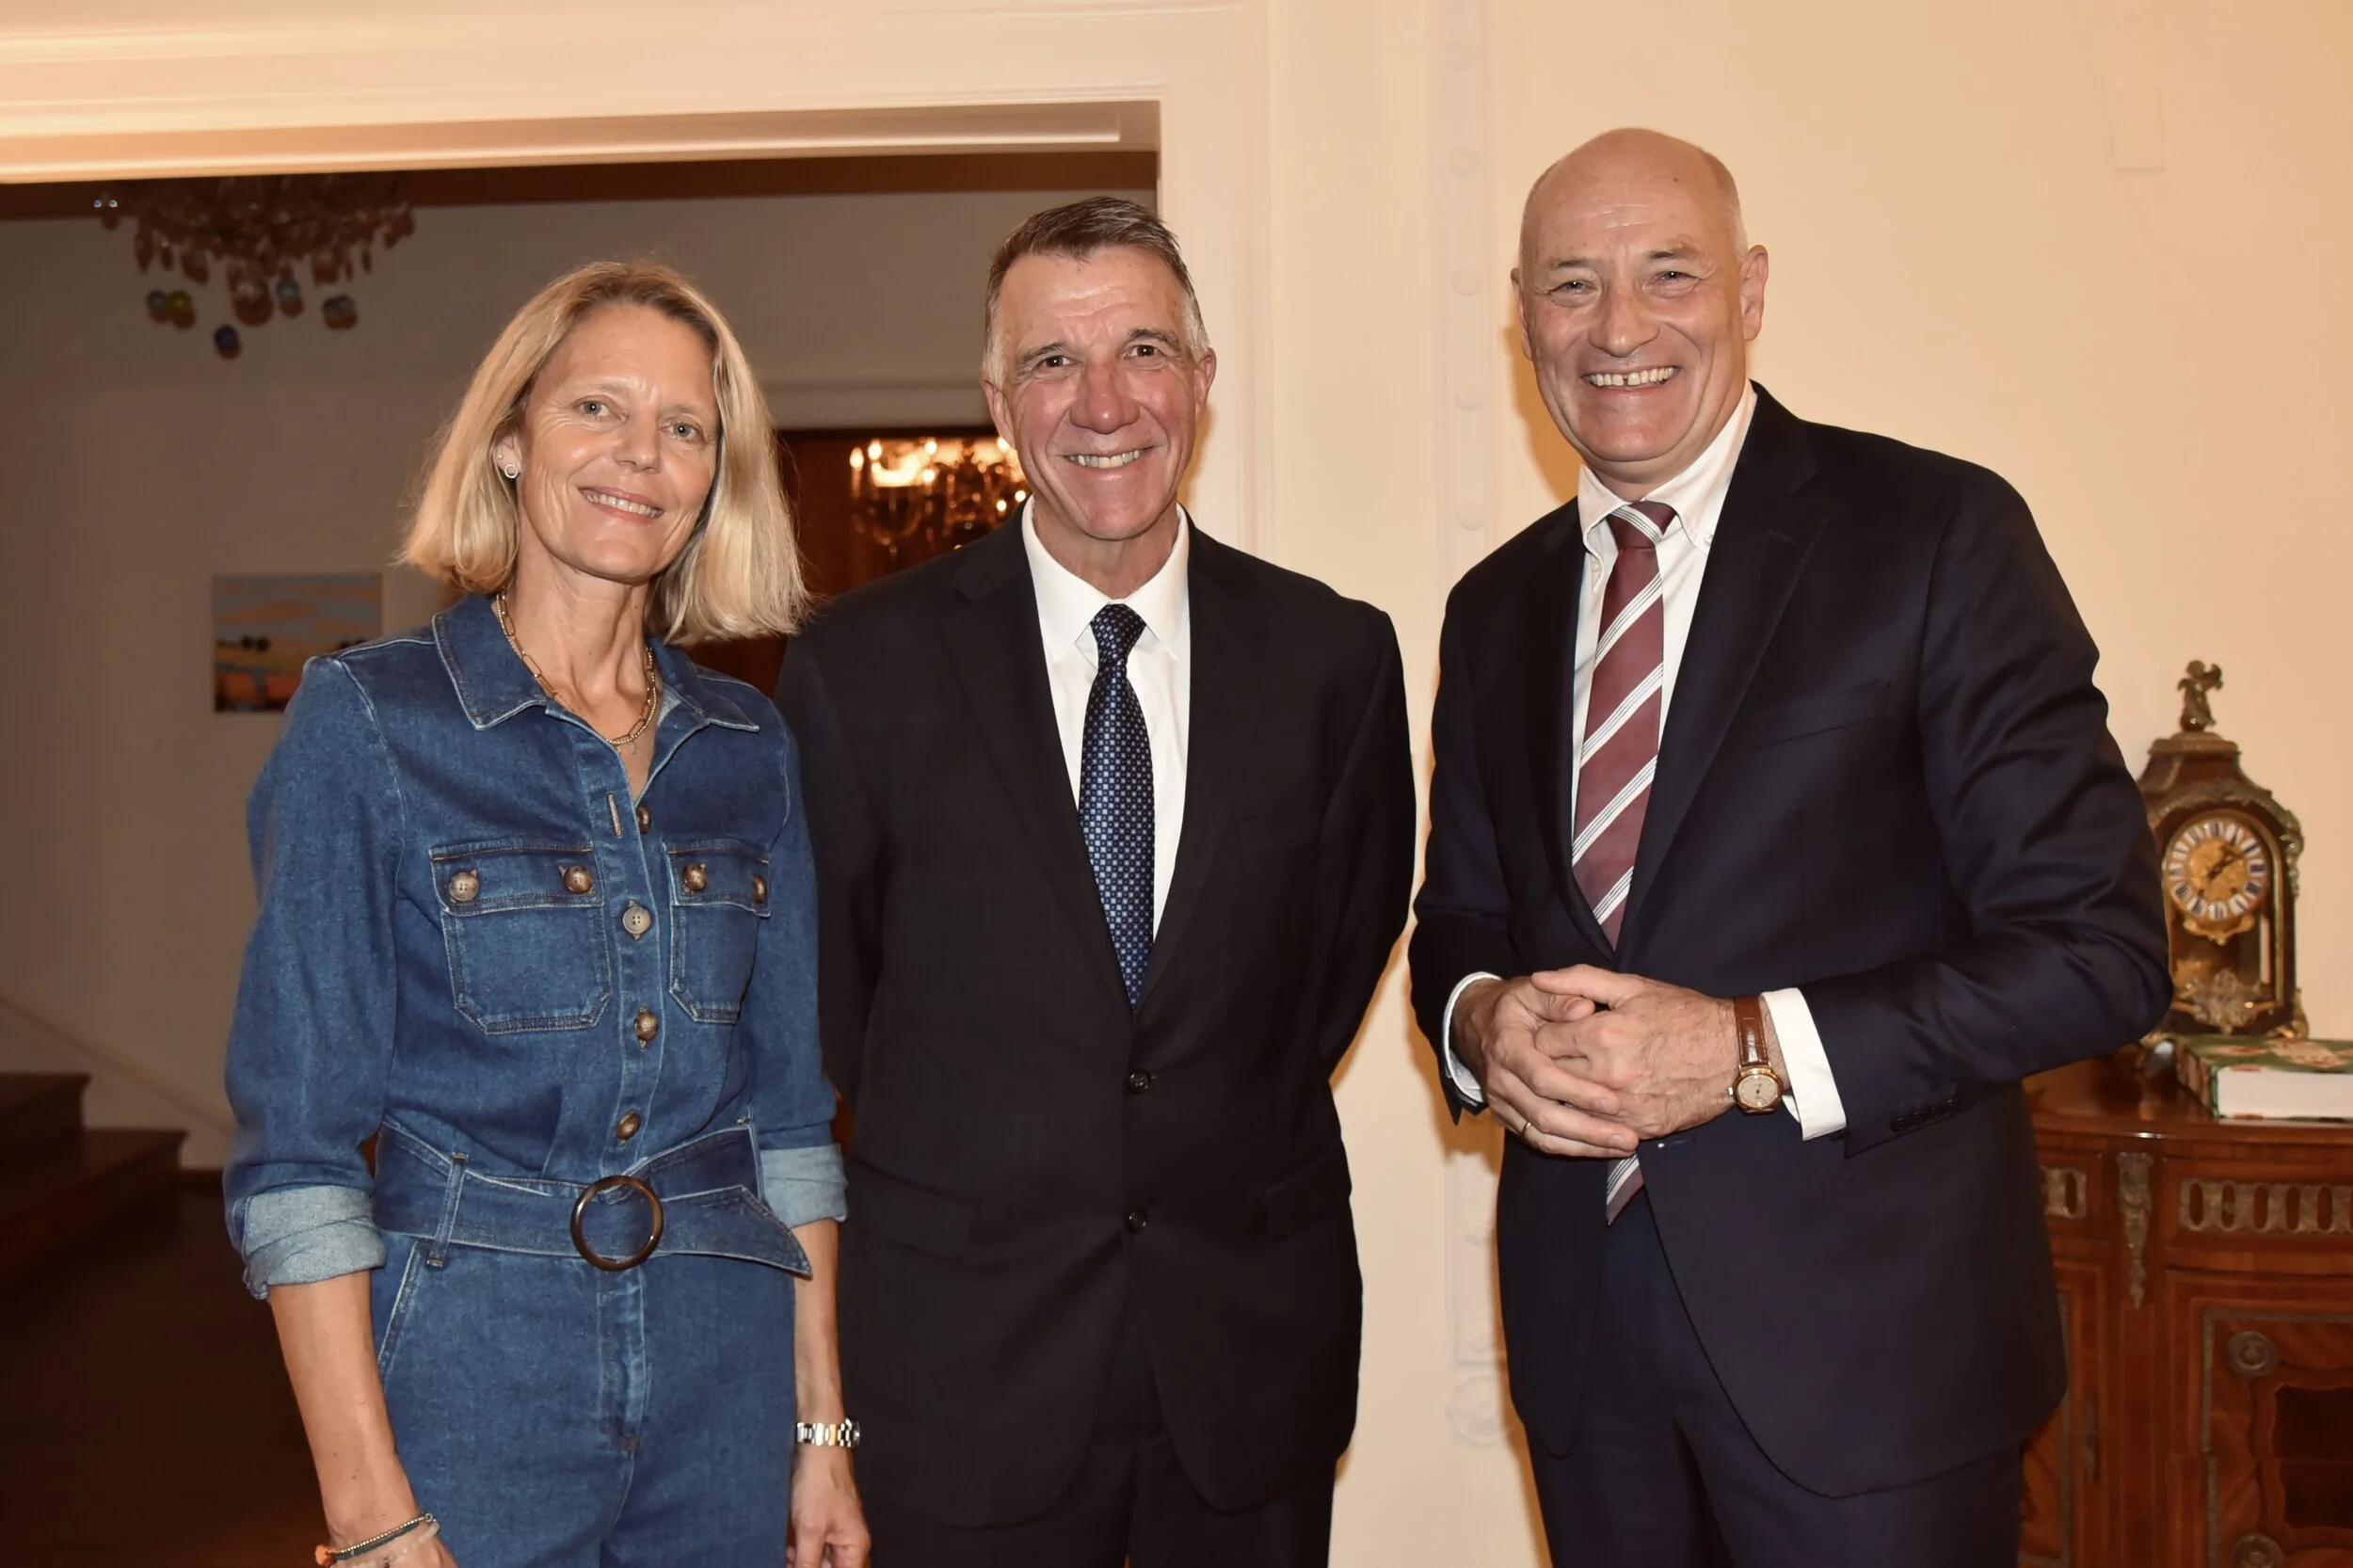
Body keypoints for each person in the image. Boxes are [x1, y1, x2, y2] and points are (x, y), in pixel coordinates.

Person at [1409, 130, 2170, 1566]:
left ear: (1751, 290)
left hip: (1875, 1365)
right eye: (1573, 285)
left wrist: (1755, 1048)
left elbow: (2104, 950)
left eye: (1669, 273)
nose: (1621, 327)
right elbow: (1458, 916)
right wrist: (1480, 1016)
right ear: (1522, 318)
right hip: (1586, 1356)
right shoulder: (1493, 607)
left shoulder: (1937, 534)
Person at [776, 197, 1415, 1567]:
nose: (1104, 401)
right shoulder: (861, 672)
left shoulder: (1334, 662)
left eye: (1142, 349)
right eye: (1053, 362)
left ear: (1203, 378)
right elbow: (838, 1008)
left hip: (1248, 1367)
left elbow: (1322, 976)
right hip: (962, 1378)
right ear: (998, 399)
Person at [223, 262, 869, 1568]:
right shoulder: (370, 722)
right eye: (597, 409)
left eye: (685, 426)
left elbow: (789, 1128)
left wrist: (821, 1439)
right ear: (511, 438)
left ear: (713, 479)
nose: (642, 454)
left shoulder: (750, 744)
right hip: (469, 1372)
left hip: (723, 1373)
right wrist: (370, 1514)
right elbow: (298, 1152)